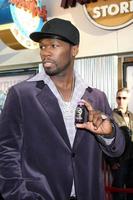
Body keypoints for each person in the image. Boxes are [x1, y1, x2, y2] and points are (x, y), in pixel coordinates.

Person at [0, 18, 125, 200]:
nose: (46, 53)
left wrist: (108, 133)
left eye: (54, 45)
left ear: (74, 50)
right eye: (42, 47)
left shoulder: (97, 97)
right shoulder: (21, 94)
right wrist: (20, 196)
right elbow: (6, 153)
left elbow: (118, 150)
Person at [105, 88, 133, 200]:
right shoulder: (110, 116)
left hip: (132, 159)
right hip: (119, 160)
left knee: (131, 189)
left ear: (128, 99)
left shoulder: (131, 116)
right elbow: (105, 140)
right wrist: (111, 162)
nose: (121, 100)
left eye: (124, 98)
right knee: (118, 189)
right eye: (119, 98)